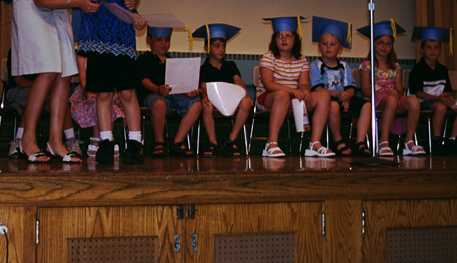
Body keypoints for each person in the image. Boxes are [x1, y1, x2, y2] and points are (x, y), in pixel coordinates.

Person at [11, 0, 139, 162]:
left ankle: (55, 141)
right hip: (31, 0)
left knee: (66, 71)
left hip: (60, 1)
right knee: (48, 68)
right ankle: (26, 139)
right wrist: (76, 3)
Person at [74, 0, 147, 164]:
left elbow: (130, 9)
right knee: (102, 94)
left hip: (120, 45)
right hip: (95, 45)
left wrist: (138, 18)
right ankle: (106, 140)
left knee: (127, 92)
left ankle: (135, 142)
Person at [255, 16, 332, 158]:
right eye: (279, 36)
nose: (284, 39)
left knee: (324, 96)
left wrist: (304, 91)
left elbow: (304, 83)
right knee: (281, 95)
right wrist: (292, 90)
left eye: (288, 36)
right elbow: (268, 84)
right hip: (268, 97)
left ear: (295, 39)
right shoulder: (268, 57)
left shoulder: (301, 59)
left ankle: (314, 143)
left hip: (292, 97)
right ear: (274, 39)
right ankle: (271, 143)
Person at [136, 15, 202, 157]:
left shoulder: (173, 61)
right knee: (159, 103)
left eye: (167, 40)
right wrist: (157, 89)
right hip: (152, 94)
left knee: (196, 104)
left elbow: (180, 83)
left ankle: (177, 141)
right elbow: (144, 81)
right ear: (148, 40)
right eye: (159, 40)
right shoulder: (144, 59)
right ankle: (159, 141)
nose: (163, 43)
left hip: (174, 95)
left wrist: (188, 91)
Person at [358, 20, 422, 156]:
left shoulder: (395, 66)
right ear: (373, 44)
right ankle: (384, 141)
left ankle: (409, 141)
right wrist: (384, 94)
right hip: (374, 100)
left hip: (392, 99)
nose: (384, 46)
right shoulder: (367, 66)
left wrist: (396, 92)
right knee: (391, 100)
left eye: (388, 43)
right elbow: (366, 91)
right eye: (380, 42)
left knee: (414, 103)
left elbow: (399, 89)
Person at [309, 16, 371, 156]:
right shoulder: (315, 66)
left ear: (340, 49)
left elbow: (350, 87)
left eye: (332, 44)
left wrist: (347, 98)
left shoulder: (344, 66)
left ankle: (360, 142)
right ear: (319, 48)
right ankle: (338, 141)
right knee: (334, 106)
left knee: (367, 106)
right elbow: (317, 89)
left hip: (344, 98)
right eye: (324, 44)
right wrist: (337, 95)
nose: (328, 47)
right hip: (329, 99)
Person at [193, 23, 252, 157]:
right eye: (217, 46)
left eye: (224, 46)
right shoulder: (204, 68)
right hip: (213, 100)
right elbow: (203, 86)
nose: (221, 50)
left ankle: (231, 139)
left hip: (231, 99)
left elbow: (238, 82)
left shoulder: (230, 66)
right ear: (206, 48)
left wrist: (247, 96)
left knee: (246, 103)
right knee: (207, 106)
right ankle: (213, 143)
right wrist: (204, 98)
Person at [408, 26, 456, 155]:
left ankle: (453, 139)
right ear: (421, 50)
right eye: (428, 47)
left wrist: (447, 97)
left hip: (439, 100)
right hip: (422, 101)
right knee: (441, 107)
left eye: (436, 47)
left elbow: (446, 90)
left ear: (440, 51)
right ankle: (436, 140)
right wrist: (439, 99)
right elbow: (418, 93)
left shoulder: (442, 69)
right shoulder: (418, 69)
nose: (432, 50)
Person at [69, 54, 125, 159]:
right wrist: (87, 91)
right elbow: (83, 76)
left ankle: (108, 137)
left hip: (107, 89)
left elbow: (114, 76)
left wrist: (116, 92)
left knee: (108, 99)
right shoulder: (82, 54)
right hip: (87, 89)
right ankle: (96, 137)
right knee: (96, 99)